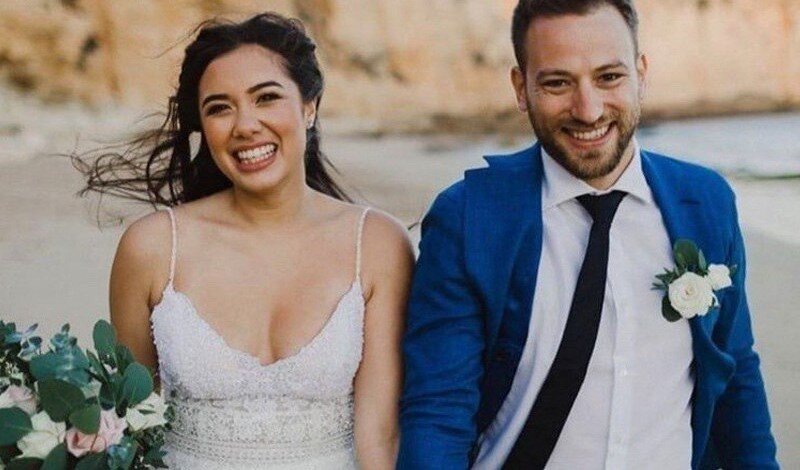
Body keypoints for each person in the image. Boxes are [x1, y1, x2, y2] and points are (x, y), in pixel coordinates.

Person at [398, 1, 778, 468]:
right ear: (521, 88)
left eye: (609, 77)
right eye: (557, 83)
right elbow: (438, 413)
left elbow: (736, 376)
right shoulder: (467, 218)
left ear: (641, 74)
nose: (588, 110)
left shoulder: (706, 201)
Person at [76, 12, 413, 469]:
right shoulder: (153, 247)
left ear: (309, 107)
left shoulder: (376, 244)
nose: (245, 125)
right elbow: (129, 428)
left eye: (266, 98)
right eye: (220, 108)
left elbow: (380, 437)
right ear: (203, 126)